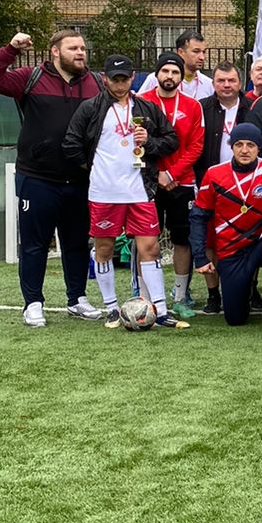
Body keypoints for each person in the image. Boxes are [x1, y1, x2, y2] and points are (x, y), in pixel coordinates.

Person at [0, 27, 104, 326]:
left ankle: (77, 299)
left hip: (81, 180)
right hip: (37, 179)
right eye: (73, 48)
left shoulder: (97, 83)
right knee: (35, 245)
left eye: (83, 48)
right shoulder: (30, 77)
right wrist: (10, 49)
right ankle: (33, 303)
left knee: (76, 243)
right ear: (55, 51)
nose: (81, 53)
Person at [61, 54, 187, 329]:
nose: (120, 84)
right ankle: (111, 308)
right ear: (104, 79)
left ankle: (160, 310)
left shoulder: (147, 108)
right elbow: (70, 143)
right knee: (104, 248)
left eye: (124, 78)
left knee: (150, 248)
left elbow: (171, 140)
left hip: (139, 190)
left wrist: (149, 142)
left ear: (132, 78)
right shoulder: (90, 108)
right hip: (104, 192)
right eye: (114, 79)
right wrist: (93, 167)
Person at [189, 122, 262, 333]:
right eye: (239, 144)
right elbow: (198, 216)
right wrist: (200, 256)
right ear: (232, 146)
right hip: (231, 248)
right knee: (235, 318)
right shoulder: (214, 174)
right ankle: (245, 293)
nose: (245, 150)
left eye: (250, 145)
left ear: (258, 147)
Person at [146, 52, 205, 317]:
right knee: (147, 240)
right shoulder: (142, 103)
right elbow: (136, 144)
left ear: (182, 77)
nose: (170, 76)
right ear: (157, 74)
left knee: (183, 240)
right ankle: (146, 297)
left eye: (175, 72)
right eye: (165, 71)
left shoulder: (193, 106)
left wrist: (171, 174)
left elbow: (196, 146)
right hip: (150, 181)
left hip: (182, 182)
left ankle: (181, 297)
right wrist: (158, 173)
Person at [195, 63, 252, 315]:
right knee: (211, 240)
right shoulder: (202, 108)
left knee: (247, 239)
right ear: (213, 83)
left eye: (231, 80)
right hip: (212, 184)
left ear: (240, 82)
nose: (226, 85)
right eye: (221, 80)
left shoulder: (252, 107)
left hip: (247, 185)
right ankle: (213, 294)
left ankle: (250, 290)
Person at [138, 29, 213, 102]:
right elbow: (138, 104)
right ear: (181, 52)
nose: (202, 57)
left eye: (204, 52)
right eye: (196, 51)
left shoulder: (209, 84)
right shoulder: (154, 79)